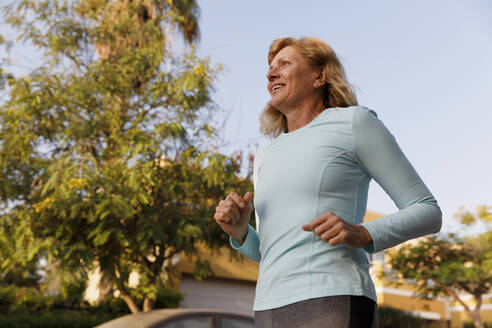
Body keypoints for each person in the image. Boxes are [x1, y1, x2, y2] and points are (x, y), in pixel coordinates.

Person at [214, 37, 442, 328]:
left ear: (319, 76)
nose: (271, 74)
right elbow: (275, 251)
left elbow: (427, 211)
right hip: (268, 306)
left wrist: (363, 233)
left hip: (333, 297)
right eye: (270, 68)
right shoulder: (265, 154)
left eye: (284, 64)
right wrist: (241, 232)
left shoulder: (355, 124)